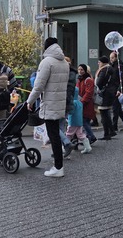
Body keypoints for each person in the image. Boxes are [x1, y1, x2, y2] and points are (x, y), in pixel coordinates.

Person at [26, 37, 70, 178]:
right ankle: (58, 165)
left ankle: (58, 167)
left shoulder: (46, 62)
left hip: (50, 103)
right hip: (59, 102)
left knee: (53, 135)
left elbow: (39, 85)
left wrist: (30, 101)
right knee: (56, 133)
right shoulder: (64, 62)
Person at [95, 56, 120, 140]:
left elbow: (99, 82)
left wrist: (100, 89)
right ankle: (111, 131)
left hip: (104, 94)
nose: (98, 63)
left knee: (103, 114)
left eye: (99, 62)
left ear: (103, 63)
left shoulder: (104, 70)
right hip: (110, 93)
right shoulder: (111, 69)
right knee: (106, 113)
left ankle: (107, 133)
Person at [67, 85, 92, 155]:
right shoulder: (79, 102)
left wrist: (67, 113)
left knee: (68, 134)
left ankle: (65, 147)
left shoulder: (73, 103)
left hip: (72, 121)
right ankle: (87, 147)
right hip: (79, 121)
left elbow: (71, 112)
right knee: (80, 134)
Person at [77, 64, 97, 143]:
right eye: (79, 69)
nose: (80, 71)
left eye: (81, 69)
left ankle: (91, 137)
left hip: (86, 104)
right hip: (82, 103)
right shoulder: (80, 79)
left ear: (85, 70)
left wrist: (81, 102)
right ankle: (89, 138)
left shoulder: (88, 80)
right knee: (85, 122)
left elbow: (89, 93)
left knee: (84, 121)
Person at [110, 51, 123, 132]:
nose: (111, 59)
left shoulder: (119, 67)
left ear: (116, 58)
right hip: (113, 89)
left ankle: (114, 125)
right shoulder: (112, 66)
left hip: (117, 90)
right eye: (110, 58)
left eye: (112, 58)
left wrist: (119, 90)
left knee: (115, 108)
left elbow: (122, 79)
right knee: (118, 109)